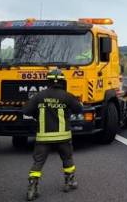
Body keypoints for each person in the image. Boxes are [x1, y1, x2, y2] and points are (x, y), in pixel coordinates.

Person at [22, 68, 83, 201]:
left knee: (38, 162)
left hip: (43, 138)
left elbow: (26, 110)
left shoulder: (39, 96)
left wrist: (37, 115)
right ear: (62, 82)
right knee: (67, 159)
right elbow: (79, 109)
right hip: (63, 137)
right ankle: (69, 182)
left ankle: (33, 186)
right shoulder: (67, 96)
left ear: (48, 81)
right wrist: (68, 112)